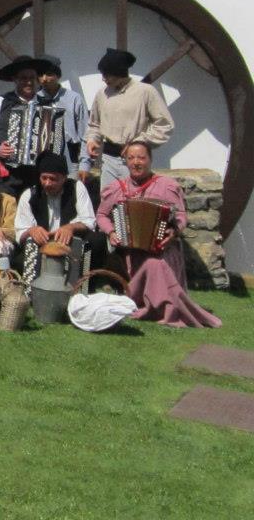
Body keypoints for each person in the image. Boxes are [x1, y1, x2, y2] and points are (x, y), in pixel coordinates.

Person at [96, 141, 221, 328]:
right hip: (130, 251)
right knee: (149, 262)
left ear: (150, 159)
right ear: (126, 161)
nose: (136, 162)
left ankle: (166, 309)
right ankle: (149, 304)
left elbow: (180, 215)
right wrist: (112, 232)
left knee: (156, 263)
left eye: (141, 157)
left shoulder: (166, 186)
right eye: (131, 158)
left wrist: (175, 231)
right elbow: (101, 215)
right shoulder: (117, 188)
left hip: (162, 248)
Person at [85, 48, 174, 190]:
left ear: (119, 72)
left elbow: (165, 125)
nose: (103, 78)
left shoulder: (145, 91)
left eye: (107, 75)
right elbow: (94, 124)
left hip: (134, 159)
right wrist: (92, 140)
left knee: (134, 203)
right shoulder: (102, 94)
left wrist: (140, 141)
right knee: (109, 201)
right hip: (108, 158)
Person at [0, 54, 59, 198]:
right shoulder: (1, 102)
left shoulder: (47, 105)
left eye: (32, 78)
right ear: (15, 80)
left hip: (37, 174)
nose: (28, 82)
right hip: (8, 174)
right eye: (23, 78)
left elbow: (55, 139)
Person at [14, 151, 106, 274]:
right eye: (44, 178)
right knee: (20, 259)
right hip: (43, 245)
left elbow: (89, 221)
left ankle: (86, 283)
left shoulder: (76, 188)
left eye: (53, 179)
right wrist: (31, 230)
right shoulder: (29, 195)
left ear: (64, 178)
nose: (47, 183)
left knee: (97, 241)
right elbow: (20, 232)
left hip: (71, 243)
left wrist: (71, 227)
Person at [37, 53, 91, 180]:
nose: (44, 79)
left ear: (58, 76)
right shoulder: (35, 99)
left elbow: (86, 133)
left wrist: (85, 164)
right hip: (42, 159)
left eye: (49, 74)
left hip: (69, 159)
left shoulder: (74, 99)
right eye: (41, 75)